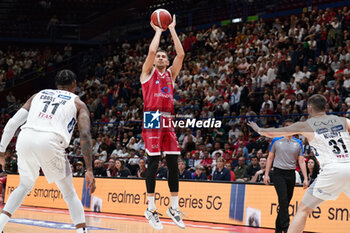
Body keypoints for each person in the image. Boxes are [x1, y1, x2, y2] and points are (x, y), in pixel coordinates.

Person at [0, 69, 96, 233]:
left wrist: (1, 152)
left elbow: (12, 123)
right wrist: (89, 169)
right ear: (74, 85)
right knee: (69, 193)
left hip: (25, 138)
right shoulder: (78, 103)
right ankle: (82, 231)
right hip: (50, 141)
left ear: (56, 85)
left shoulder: (38, 95)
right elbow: (85, 135)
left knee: (24, 185)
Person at [248, 94, 350, 233]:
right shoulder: (343, 121)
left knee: (303, 210)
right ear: (325, 106)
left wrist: (259, 129)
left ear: (309, 107)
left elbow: (274, 133)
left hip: (332, 169)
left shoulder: (307, 125)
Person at [140, 14, 185, 230]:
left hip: (168, 119)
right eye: (158, 55)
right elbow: (150, 51)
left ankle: (173, 208)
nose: (159, 57)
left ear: (167, 61)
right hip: (152, 116)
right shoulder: (147, 74)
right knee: (153, 163)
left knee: (174, 164)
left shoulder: (171, 74)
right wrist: (158, 30)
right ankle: (150, 208)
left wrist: (172, 29)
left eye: (163, 56)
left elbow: (182, 54)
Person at [256, 119, 308, 233]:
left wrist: (305, 178)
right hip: (278, 173)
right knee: (283, 200)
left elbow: (302, 161)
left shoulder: (298, 143)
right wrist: (266, 175)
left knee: (285, 203)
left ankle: (278, 229)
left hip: (291, 174)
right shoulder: (276, 140)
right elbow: (270, 158)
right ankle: (286, 227)